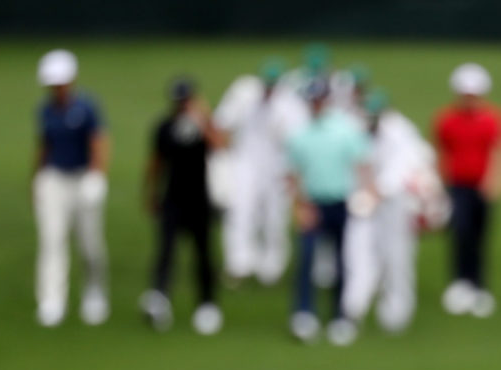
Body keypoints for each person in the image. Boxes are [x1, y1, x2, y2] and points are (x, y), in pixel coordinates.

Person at [342, 89, 445, 334]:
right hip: (363, 202)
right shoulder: (355, 128)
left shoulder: (401, 131)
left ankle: (397, 314)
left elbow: (406, 166)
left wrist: (378, 191)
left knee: (397, 258)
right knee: (357, 254)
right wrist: (363, 193)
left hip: (395, 205)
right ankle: (352, 309)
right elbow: (351, 162)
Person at [285, 78, 371, 346]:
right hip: (311, 205)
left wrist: (366, 195)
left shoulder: (345, 130)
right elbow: (293, 175)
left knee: (340, 261)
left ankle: (340, 317)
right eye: (312, 100)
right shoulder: (298, 134)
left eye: (320, 99)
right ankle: (304, 314)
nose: (317, 104)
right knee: (307, 260)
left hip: (339, 202)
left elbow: (361, 165)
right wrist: (299, 206)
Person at [140, 78, 226, 335]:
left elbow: (220, 145)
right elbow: (156, 162)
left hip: (200, 200)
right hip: (173, 199)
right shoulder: (165, 127)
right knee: (165, 252)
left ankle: (207, 305)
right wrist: (151, 193)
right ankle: (159, 299)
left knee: (203, 254)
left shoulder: (203, 126)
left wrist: (204, 118)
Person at [32, 49, 110, 328]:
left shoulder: (87, 107)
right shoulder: (45, 110)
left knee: (90, 243)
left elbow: (99, 142)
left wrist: (97, 176)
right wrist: (36, 181)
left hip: (83, 178)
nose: (57, 89)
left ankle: (95, 292)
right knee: (52, 241)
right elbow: (43, 146)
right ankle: (52, 300)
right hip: (55, 179)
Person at [214, 58, 307, 286]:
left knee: (275, 217)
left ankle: (271, 267)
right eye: (267, 84)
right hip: (245, 162)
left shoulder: (292, 104)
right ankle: (239, 264)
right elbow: (221, 123)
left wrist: (292, 174)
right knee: (240, 212)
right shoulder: (243, 93)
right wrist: (226, 159)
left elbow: (298, 143)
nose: (269, 89)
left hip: (277, 166)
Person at [434, 63, 501, 318]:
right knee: (460, 233)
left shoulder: (492, 119)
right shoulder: (446, 119)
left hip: (482, 187)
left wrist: (495, 182)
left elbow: (499, 151)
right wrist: (440, 183)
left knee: (479, 237)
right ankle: (460, 283)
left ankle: (479, 287)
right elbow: (441, 152)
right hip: (456, 186)